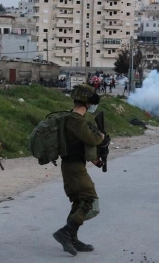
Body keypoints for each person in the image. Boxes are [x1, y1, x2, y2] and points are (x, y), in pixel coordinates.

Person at [52, 84, 106, 256]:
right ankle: (66, 232)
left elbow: (81, 144)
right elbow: (92, 138)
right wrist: (102, 136)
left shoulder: (70, 118)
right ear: (88, 102)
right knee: (89, 200)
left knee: (78, 201)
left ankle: (72, 238)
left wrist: (95, 159)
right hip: (74, 168)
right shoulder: (76, 120)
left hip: (72, 165)